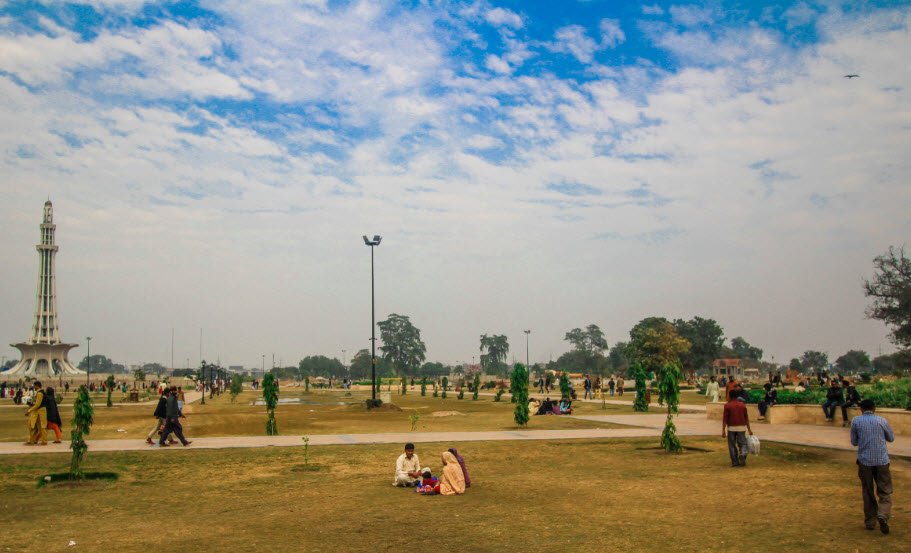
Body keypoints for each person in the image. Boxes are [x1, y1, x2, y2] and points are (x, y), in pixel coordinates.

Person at [850, 399, 895, 534]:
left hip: (865, 461)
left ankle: (870, 522)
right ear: (874, 408)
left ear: (861, 409)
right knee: (885, 491)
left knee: (867, 491)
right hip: (882, 461)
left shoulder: (856, 421)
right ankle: (883, 514)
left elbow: (854, 442)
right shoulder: (882, 421)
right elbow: (891, 438)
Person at [722, 393, 753, 467]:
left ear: (729, 396)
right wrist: (749, 429)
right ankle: (742, 454)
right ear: (737, 397)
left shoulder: (727, 405)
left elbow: (725, 419)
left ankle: (735, 462)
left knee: (732, 445)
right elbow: (746, 418)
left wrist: (723, 430)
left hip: (731, 428)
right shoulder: (742, 405)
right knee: (743, 444)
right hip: (741, 427)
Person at [24, 381, 48, 445]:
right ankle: (32, 440)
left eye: (34, 386)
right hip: (38, 411)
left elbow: (37, 405)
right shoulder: (40, 392)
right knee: (32, 425)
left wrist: (29, 411)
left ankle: (44, 441)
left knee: (42, 426)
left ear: (37, 386)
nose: (34, 387)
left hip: (40, 411)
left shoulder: (40, 393)